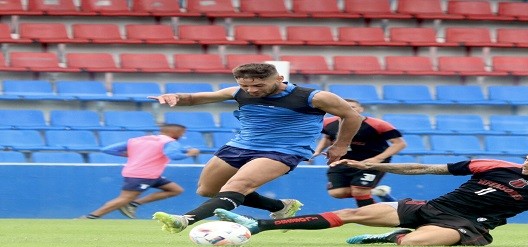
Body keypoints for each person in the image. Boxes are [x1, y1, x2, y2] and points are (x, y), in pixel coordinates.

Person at [214, 144, 528, 247]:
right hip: (434, 207)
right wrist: (372, 167)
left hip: (467, 225)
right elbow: (424, 168)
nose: (526, 164)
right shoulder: (491, 164)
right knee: (354, 212)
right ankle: (260, 224)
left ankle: (390, 239)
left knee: (414, 244)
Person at [150, 63, 363, 233]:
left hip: (283, 150)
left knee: (237, 185)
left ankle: (185, 220)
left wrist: (340, 145)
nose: (251, 91)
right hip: (240, 146)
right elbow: (195, 99)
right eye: (245, 86)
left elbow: (351, 116)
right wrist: (176, 97)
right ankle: (280, 207)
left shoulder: (314, 97)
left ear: (279, 78)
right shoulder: (238, 92)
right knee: (207, 190)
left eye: (258, 86)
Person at [81, 124, 200, 219]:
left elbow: (107, 149)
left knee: (175, 190)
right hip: (143, 175)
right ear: (175, 133)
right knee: (124, 198)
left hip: (149, 175)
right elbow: (174, 155)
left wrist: (126, 154)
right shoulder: (170, 142)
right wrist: (190, 153)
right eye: (182, 133)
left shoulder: (139, 140)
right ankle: (91, 217)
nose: (183, 136)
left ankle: (134, 204)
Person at [312, 99, 406, 207]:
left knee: (359, 191)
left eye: (353, 107)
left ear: (361, 109)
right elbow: (327, 137)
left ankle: (372, 217)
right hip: (343, 161)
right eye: (345, 106)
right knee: (337, 193)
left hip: (370, 162)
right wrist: (318, 151)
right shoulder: (328, 123)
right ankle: (380, 193)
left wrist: (378, 159)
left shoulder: (378, 124)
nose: (349, 109)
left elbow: (399, 144)